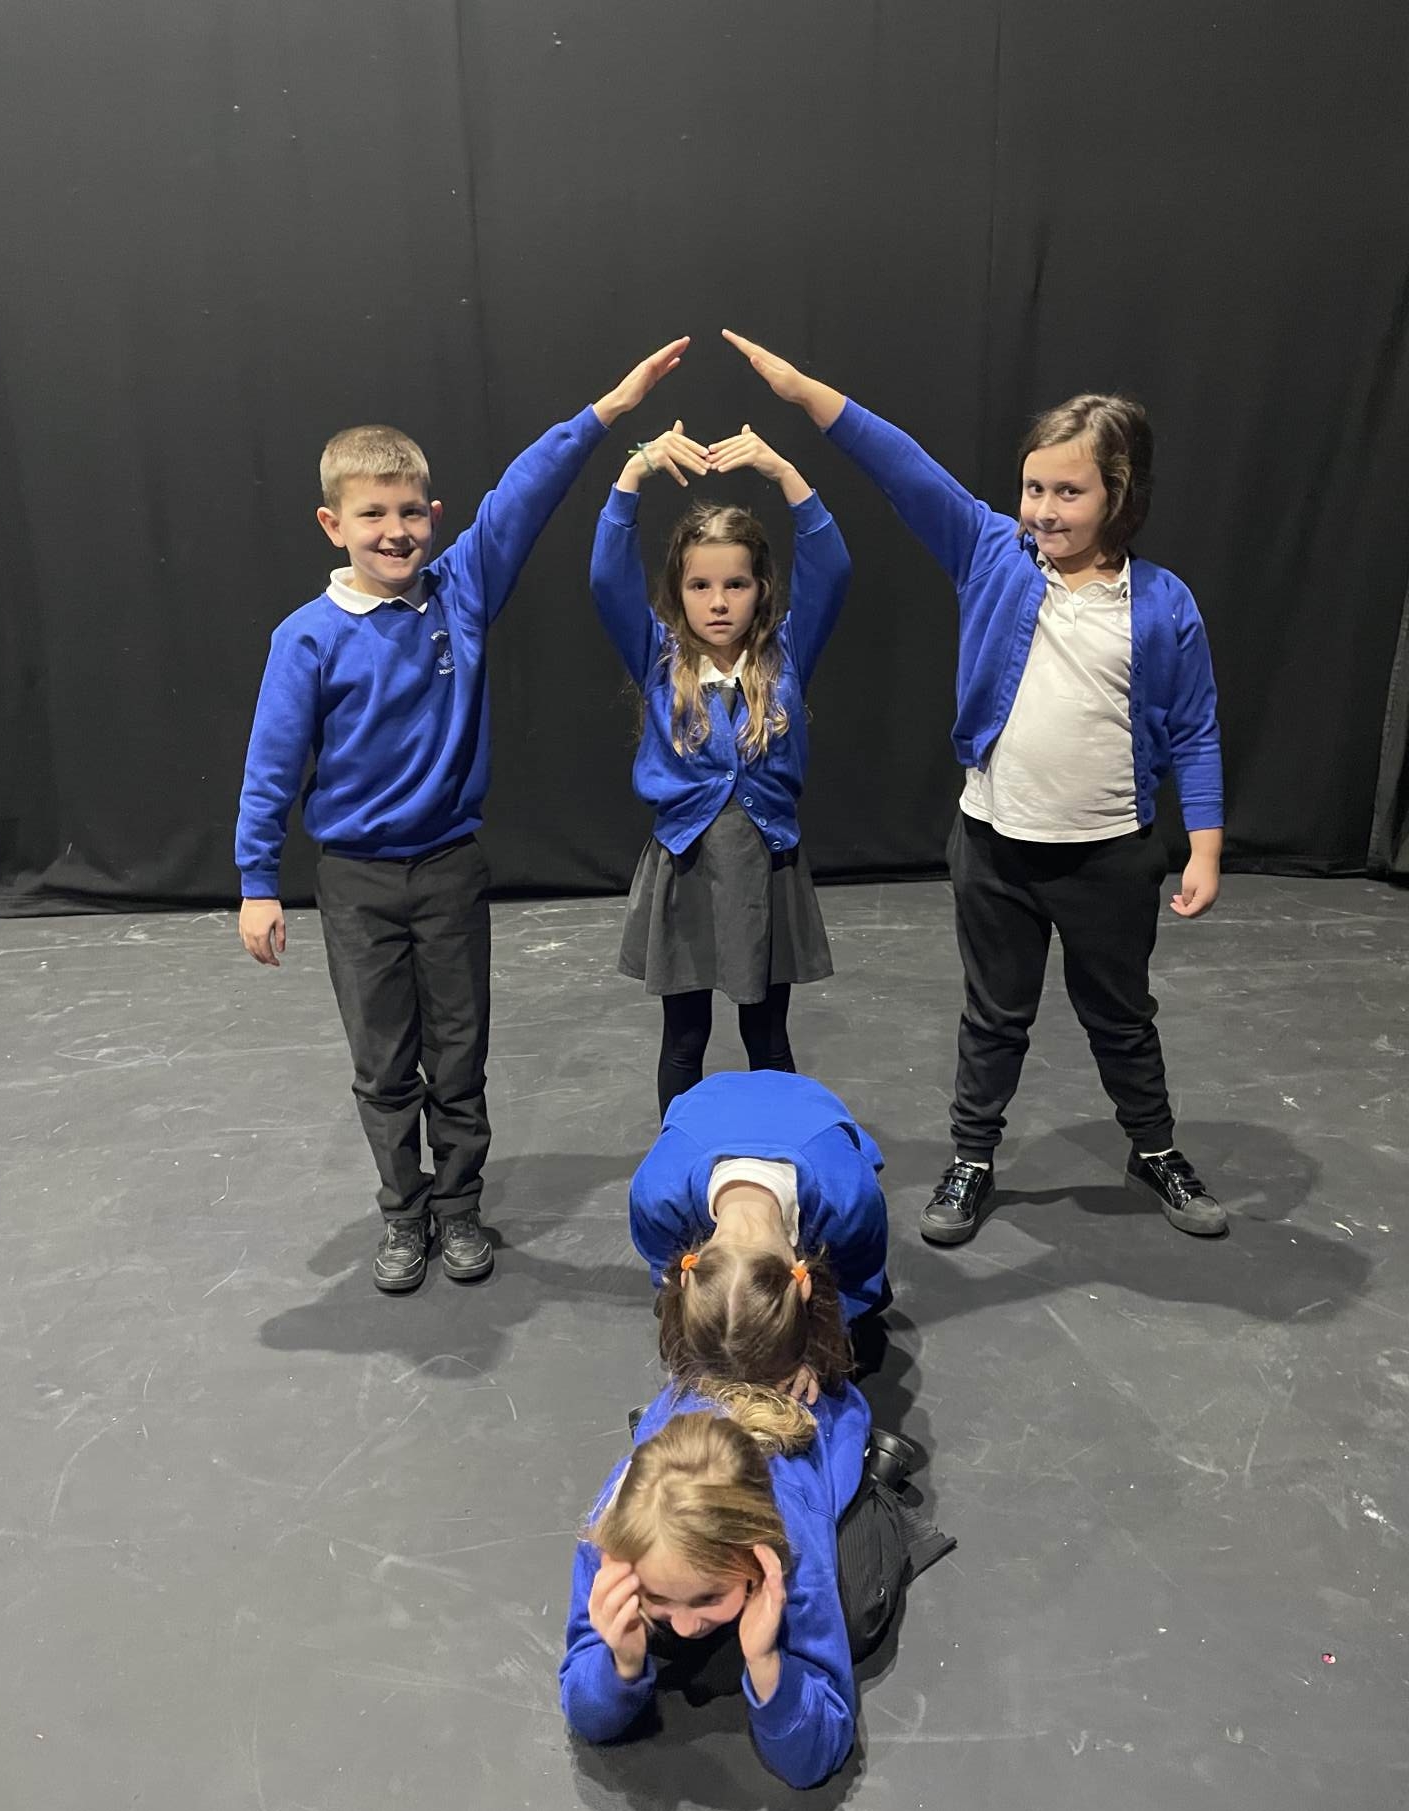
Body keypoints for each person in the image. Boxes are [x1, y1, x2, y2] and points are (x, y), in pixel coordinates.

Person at [723, 329, 1228, 1244]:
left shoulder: (1162, 604)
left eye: (1069, 491)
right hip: (996, 848)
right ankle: (972, 1156)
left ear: (1120, 496)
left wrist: (1205, 844)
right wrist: (805, 393)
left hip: (1112, 856)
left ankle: (1153, 1146)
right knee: (994, 1018)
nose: (1043, 509)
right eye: (1034, 488)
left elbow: (1193, 729)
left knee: (1122, 1016)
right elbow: (903, 468)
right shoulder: (991, 552)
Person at [235, 339, 691, 1293]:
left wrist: (606, 413)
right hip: (356, 882)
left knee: (458, 1054)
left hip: (447, 870)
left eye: (410, 512)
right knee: (382, 1063)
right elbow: (272, 767)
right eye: (372, 514)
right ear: (332, 524)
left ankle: (459, 1207)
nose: (394, 531)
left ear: (433, 518)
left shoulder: (463, 593)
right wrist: (257, 883)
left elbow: (523, 493)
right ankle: (403, 1214)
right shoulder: (305, 639)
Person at [590, 417, 851, 1117]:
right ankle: (680, 1152)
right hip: (686, 869)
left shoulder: (785, 656)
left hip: (766, 868)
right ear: (678, 591)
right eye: (700, 585)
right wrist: (633, 473)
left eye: (736, 584)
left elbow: (832, 567)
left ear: (761, 588)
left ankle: (783, 1151)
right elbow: (607, 575)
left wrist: (784, 473)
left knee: (767, 1035)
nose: (717, 601)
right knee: (685, 1038)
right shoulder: (659, 659)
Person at [560, 1386, 934, 1790]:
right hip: (702, 1403)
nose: (684, 1626)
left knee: (858, 1616)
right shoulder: (613, 1535)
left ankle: (873, 1484)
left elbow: (814, 1757)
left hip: (825, 1427)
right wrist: (620, 1662)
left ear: (758, 1564)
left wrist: (766, 1662)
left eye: (708, 1598)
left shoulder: (793, 1547)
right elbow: (586, 1717)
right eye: (658, 1597)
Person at [628, 1070, 890, 1404]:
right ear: (684, 1273)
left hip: (808, 1112)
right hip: (704, 1111)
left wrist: (814, 1355)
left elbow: (857, 1280)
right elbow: (663, 1271)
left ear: (805, 1285)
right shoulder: (656, 1197)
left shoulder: (848, 1200)